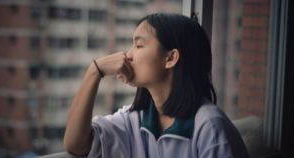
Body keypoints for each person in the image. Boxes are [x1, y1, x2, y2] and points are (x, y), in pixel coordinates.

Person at [63, 13, 249, 158]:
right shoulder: (134, 120)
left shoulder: (211, 128)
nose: (128, 55)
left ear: (170, 58)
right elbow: (76, 144)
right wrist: (94, 71)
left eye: (139, 45)